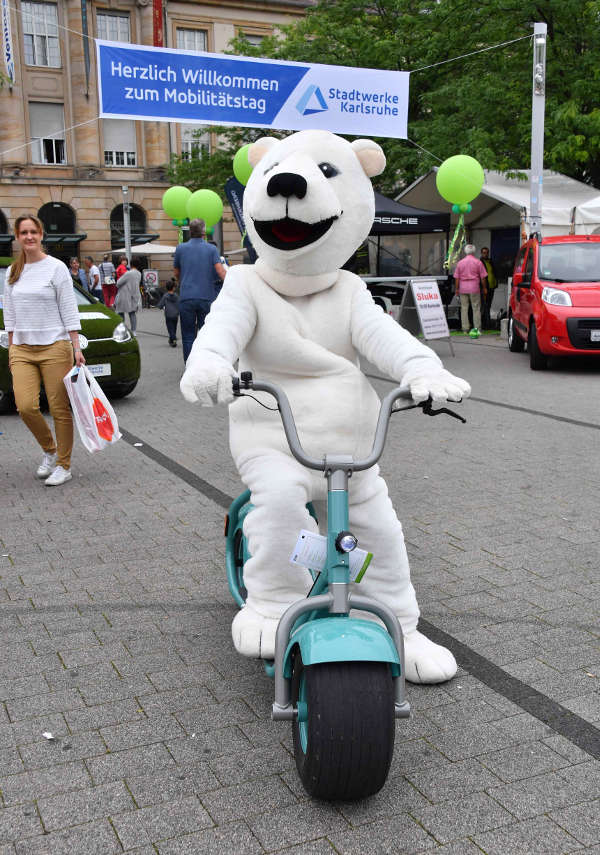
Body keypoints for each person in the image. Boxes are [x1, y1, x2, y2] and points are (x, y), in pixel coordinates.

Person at [3, 214, 85, 486]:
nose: (29, 237)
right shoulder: (13, 272)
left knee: (59, 408)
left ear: (41, 235)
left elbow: (69, 309)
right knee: (25, 406)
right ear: (17, 237)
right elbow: (10, 314)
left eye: (33, 232)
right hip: (23, 349)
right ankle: (49, 450)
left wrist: (76, 347)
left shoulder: (56, 268)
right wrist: (12, 349)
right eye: (24, 232)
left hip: (55, 346)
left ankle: (64, 464)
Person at [173, 218, 227, 361]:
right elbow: (221, 272)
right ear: (203, 231)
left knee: (188, 335)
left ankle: (190, 365)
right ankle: (204, 364)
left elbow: (176, 273)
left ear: (190, 231)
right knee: (206, 334)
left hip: (186, 296)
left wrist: (183, 282)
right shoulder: (211, 249)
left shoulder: (180, 248)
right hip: (206, 297)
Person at [454, 243, 488, 337]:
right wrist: (484, 288)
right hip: (474, 288)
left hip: (463, 288)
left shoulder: (460, 263)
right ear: (474, 251)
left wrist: (457, 289)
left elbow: (457, 278)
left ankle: (465, 329)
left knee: (464, 309)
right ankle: (477, 328)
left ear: (465, 251)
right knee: (476, 308)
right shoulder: (478, 262)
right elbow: (483, 278)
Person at [114, 255, 142, 334]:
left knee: (120, 312)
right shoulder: (139, 274)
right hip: (135, 295)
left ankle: (122, 330)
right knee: (132, 313)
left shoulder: (128, 273)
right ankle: (134, 331)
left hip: (125, 295)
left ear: (131, 264)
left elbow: (118, 283)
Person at [156, 279, 179, 346]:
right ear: (174, 288)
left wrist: (159, 306)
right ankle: (172, 339)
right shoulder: (177, 296)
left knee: (170, 328)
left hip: (168, 315)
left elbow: (161, 305)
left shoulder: (165, 296)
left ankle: (173, 338)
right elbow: (179, 304)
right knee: (174, 327)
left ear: (166, 288)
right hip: (175, 315)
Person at [480, 246, 498, 328]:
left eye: (487, 253)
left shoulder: (490, 261)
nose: (485, 254)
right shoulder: (480, 262)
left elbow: (493, 272)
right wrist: (483, 288)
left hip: (492, 287)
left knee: (489, 305)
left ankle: (487, 323)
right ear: (481, 253)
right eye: (484, 253)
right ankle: (486, 324)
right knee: (485, 305)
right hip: (484, 287)